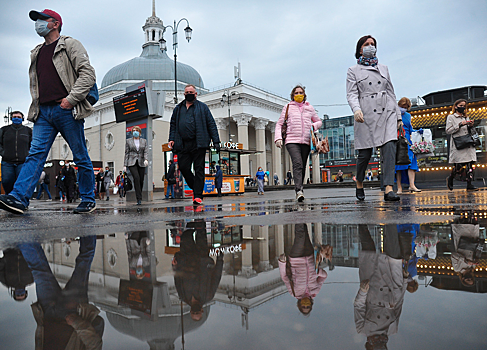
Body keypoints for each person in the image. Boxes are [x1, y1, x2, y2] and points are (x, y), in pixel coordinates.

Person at [0, 9, 97, 214]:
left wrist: (71, 100)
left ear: (55, 24)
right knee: (35, 156)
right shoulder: (37, 51)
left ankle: (88, 199)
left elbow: (88, 75)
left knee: (80, 155)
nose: (38, 24)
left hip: (66, 110)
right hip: (43, 112)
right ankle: (18, 198)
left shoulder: (70, 44)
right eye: (37, 20)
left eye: (42, 20)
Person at [18, 236, 104, 349]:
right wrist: (76, 323)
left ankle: (25, 234)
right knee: (84, 262)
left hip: (47, 313)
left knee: (38, 270)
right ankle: (88, 223)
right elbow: (95, 344)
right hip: (72, 313)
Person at [346, 35, 402, 202]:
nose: (370, 46)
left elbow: (391, 92)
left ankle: (389, 188)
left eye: (373, 44)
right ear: (360, 49)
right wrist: (356, 110)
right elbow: (351, 94)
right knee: (365, 154)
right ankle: (360, 182)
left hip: (387, 112)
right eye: (366, 44)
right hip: (366, 113)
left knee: (390, 148)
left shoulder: (384, 68)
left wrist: (398, 116)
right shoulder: (353, 70)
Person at [355, 224, 413, 350]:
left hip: (371, 287)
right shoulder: (393, 329)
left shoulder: (362, 329)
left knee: (367, 244)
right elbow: (399, 305)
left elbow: (358, 306)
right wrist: (403, 280)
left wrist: (363, 292)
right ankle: (389, 215)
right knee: (393, 246)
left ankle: (361, 215)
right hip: (393, 285)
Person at [168, 84, 221, 205]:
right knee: (183, 167)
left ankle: (198, 195)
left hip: (199, 143)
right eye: (186, 92)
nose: (189, 94)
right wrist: (171, 138)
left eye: (191, 92)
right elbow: (173, 124)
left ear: (196, 94)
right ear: (184, 94)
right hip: (183, 144)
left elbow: (211, 124)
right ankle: (195, 185)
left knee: (199, 169)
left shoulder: (203, 107)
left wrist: (216, 141)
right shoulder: (178, 108)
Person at [274, 85, 322, 201]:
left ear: (304, 95)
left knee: (303, 165)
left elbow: (319, 121)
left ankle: (300, 188)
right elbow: (279, 124)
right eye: (296, 93)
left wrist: (313, 126)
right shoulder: (288, 107)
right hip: (291, 140)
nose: (299, 95)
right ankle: (298, 190)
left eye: (301, 92)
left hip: (306, 141)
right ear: (293, 95)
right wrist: (278, 138)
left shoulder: (309, 108)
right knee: (297, 163)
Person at [173, 221, 223, 321]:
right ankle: (199, 215)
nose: (195, 311)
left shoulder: (183, 297)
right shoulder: (208, 296)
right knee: (201, 234)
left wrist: (174, 266)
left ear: (190, 312)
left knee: (186, 236)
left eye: (194, 312)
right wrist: (220, 260)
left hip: (186, 260)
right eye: (198, 312)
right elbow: (216, 277)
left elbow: (177, 280)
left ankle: (187, 218)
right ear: (202, 311)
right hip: (202, 260)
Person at [278, 223, 332, 315]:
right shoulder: (315, 291)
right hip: (310, 256)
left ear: (299, 305)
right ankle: (302, 214)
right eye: (308, 306)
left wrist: (282, 263)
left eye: (304, 307)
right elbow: (324, 276)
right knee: (305, 233)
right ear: (311, 304)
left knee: (300, 237)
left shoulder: (294, 293)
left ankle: (298, 214)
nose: (306, 305)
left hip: (296, 258)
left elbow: (285, 277)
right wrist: (318, 272)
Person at [446, 99, 478, 191]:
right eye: (460, 105)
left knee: (470, 164)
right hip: (459, 143)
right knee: (458, 165)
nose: (462, 107)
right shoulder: (451, 117)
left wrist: (470, 125)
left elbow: (468, 130)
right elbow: (448, 130)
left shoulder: (465, 117)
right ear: (456, 106)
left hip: (468, 142)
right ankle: (451, 178)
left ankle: (469, 184)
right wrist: (459, 125)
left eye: (464, 106)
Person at [0, 111, 33, 195]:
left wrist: (28, 153)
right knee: (6, 181)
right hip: (7, 161)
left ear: (22, 119)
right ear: (11, 118)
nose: (16, 118)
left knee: (22, 182)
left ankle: (19, 199)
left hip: (23, 162)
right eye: (14, 117)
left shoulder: (28, 130)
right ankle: (9, 196)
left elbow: (32, 144)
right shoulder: (4, 130)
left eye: (19, 117)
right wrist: (3, 153)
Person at [395, 97, 421, 194]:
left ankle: (412, 185)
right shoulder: (394, 115)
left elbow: (410, 128)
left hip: (408, 141)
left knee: (411, 163)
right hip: (397, 140)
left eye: (406, 107)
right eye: (402, 107)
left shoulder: (408, 116)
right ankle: (399, 187)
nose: (404, 109)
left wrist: (417, 132)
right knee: (399, 164)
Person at [124, 126, 149, 205]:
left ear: (139, 132)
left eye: (136, 130)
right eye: (133, 130)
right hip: (131, 162)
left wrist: (146, 159)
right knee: (136, 177)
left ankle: (139, 195)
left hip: (141, 162)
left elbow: (145, 151)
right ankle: (139, 198)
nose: (135, 132)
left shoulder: (144, 141)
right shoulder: (128, 141)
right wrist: (125, 165)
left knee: (141, 180)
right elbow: (126, 153)